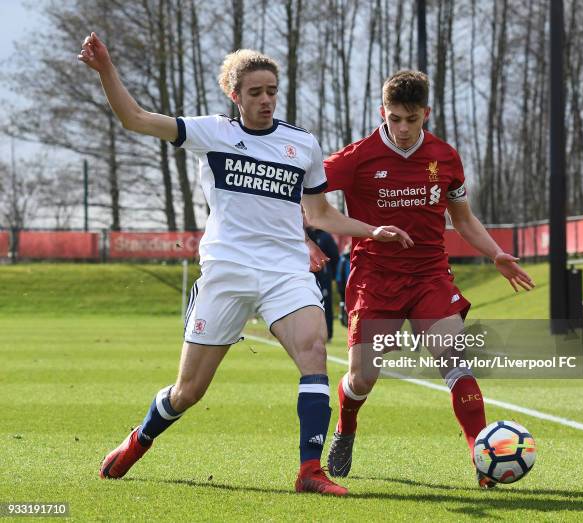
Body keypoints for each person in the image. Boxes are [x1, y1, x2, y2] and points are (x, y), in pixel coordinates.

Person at [78, 33, 411, 496]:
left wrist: (371, 230)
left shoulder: (301, 144)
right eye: (255, 92)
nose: (266, 100)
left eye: (272, 90)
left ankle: (310, 471)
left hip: (285, 271)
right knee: (188, 392)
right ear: (235, 96)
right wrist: (106, 70)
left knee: (314, 353)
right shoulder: (212, 132)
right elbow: (134, 119)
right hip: (227, 273)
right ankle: (140, 438)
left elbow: (318, 214)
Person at [322, 70, 535, 488]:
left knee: (454, 358)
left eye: (412, 119)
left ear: (426, 114)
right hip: (375, 278)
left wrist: (495, 253)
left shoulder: (445, 157)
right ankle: (346, 428)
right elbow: (304, 194)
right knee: (363, 377)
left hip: (429, 276)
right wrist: (310, 237)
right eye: (395, 118)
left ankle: (481, 457)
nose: (402, 129)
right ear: (382, 112)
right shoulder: (356, 157)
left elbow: (463, 219)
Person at [305, 221, 339, 339]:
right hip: (308, 277)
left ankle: (328, 334)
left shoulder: (325, 236)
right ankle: (312, 333)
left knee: (326, 305)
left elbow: (334, 256)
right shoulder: (304, 235)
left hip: (324, 278)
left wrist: (331, 274)